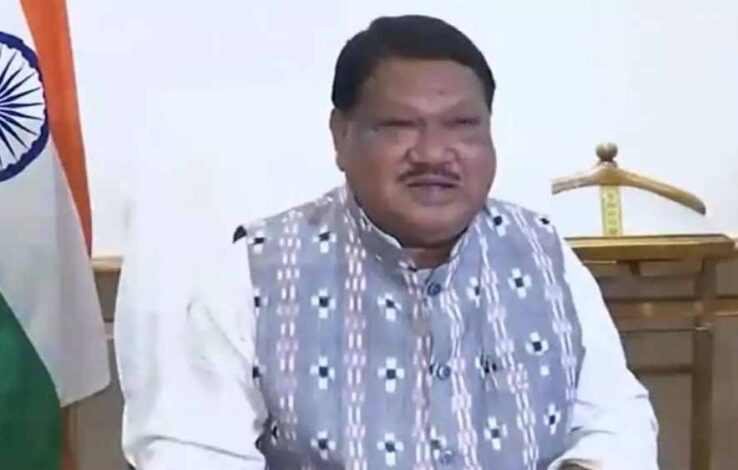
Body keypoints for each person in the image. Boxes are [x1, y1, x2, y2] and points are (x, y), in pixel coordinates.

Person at [116, 15, 658, 470]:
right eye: (399, 126)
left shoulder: (541, 252)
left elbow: (614, 421)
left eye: (462, 125)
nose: (433, 154)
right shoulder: (254, 273)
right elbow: (193, 451)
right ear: (341, 135)